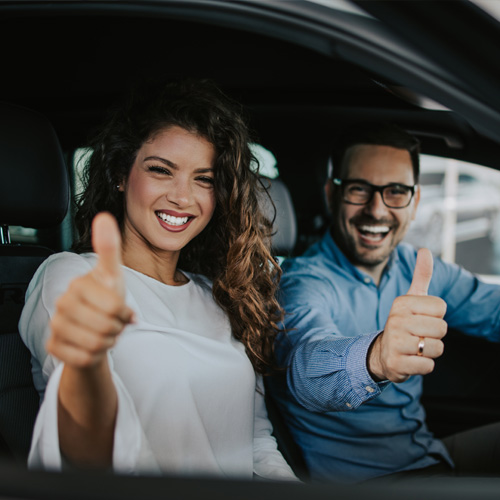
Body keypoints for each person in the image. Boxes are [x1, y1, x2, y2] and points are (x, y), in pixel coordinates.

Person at [19, 78, 297, 481]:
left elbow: (255, 443)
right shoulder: (72, 277)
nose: (183, 197)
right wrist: (88, 365)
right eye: (161, 170)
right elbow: (88, 449)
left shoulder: (218, 295)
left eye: (203, 179)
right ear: (120, 174)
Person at [267, 122, 500, 483]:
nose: (376, 210)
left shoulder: (417, 266)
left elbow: (493, 309)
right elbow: (305, 366)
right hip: (374, 484)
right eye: (359, 189)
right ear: (332, 194)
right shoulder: (304, 282)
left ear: (415, 200)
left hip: (427, 455)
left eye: (395, 191)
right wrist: (375, 357)